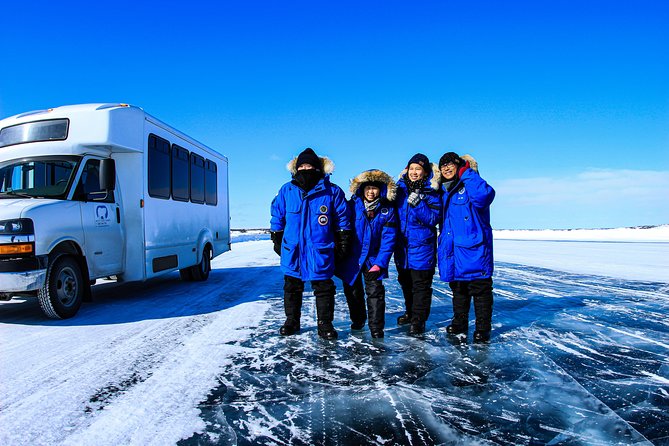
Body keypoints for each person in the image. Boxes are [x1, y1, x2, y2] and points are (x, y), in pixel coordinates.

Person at [270, 148, 352, 340]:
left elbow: (342, 219)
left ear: (318, 168)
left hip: (320, 249)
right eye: (302, 166)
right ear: (296, 168)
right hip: (294, 250)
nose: (306, 169)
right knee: (291, 286)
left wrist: (343, 240)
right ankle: (292, 321)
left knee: (324, 288)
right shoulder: (287, 190)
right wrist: (277, 237)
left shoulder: (332, 191)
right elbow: (277, 215)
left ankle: (325, 324)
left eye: (310, 166)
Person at [437, 152, 496, 343]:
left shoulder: (470, 185)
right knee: (459, 290)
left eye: (450, 164)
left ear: (460, 166)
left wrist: (467, 172)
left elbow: (484, 196)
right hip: (454, 249)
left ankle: (482, 329)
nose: (446, 168)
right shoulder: (444, 190)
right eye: (443, 165)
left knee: (480, 290)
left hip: (475, 248)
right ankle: (460, 323)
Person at [337, 169, 397, 338]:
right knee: (353, 292)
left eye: (375, 188)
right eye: (368, 188)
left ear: (381, 190)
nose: (371, 192)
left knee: (375, 293)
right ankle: (358, 320)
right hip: (352, 258)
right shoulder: (351, 207)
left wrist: (380, 263)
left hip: (373, 259)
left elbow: (388, 239)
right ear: (361, 189)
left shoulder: (387, 210)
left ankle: (376, 328)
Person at [394, 153, 441, 335]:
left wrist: (418, 203)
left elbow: (433, 218)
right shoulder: (398, 191)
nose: (414, 172)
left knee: (420, 285)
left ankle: (419, 320)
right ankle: (410, 312)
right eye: (412, 168)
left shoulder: (431, 192)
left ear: (425, 172)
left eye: (418, 169)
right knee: (405, 283)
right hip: (403, 247)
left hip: (423, 247)